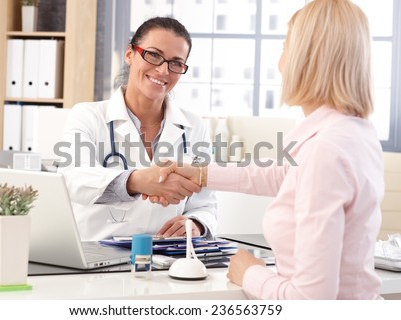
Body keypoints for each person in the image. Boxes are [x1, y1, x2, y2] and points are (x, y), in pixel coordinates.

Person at [156, 0, 384, 299]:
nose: (280, 62)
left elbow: (310, 303)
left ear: (307, 58)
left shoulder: (325, 149)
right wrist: (200, 174)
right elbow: (278, 173)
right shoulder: (351, 133)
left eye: (286, 47)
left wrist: (250, 272)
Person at [57, 17, 217, 241]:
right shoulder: (88, 115)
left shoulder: (194, 126)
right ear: (130, 54)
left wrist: (196, 224)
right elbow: (72, 178)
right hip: (98, 256)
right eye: (153, 55)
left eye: (176, 63)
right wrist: (137, 181)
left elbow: (206, 204)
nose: (163, 70)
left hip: (165, 258)